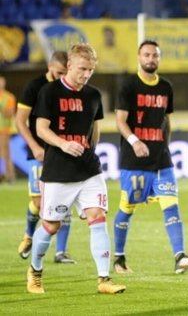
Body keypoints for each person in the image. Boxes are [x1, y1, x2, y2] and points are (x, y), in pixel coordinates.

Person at [27, 43, 125, 294]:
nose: (86, 74)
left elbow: (95, 126)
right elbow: (41, 128)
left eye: (91, 70)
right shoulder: (49, 92)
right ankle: (35, 270)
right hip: (59, 171)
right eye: (82, 68)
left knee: (98, 217)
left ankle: (104, 279)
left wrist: (91, 149)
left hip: (89, 170)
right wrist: (63, 143)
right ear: (69, 65)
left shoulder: (93, 95)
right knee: (51, 226)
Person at [112, 40, 188, 275]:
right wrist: (135, 142)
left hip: (162, 159)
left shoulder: (166, 87)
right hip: (134, 160)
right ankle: (119, 258)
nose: (151, 59)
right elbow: (120, 120)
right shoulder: (129, 86)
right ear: (139, 57)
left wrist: (165, 146)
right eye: (146, 55)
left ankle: (179, 256)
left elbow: (166, 120)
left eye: (155, 55)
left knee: (171, 205)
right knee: (127, 207)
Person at [16, 52, 76, 264]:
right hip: (40, 152)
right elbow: (20, 120)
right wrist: (33, 146)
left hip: (63, 150)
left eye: (65, 73)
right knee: (39, 200)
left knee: (65, 199)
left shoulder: (70, 87)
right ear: (50, 66)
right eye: (59, 72)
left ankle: (61, 252)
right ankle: (29, 235)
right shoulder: (35, 87)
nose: (63, 77)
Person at [0, 75, 16, 183]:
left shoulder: (9, 97)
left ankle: (10, 176)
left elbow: (10, 114)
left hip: (4, 129)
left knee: (5, 154)